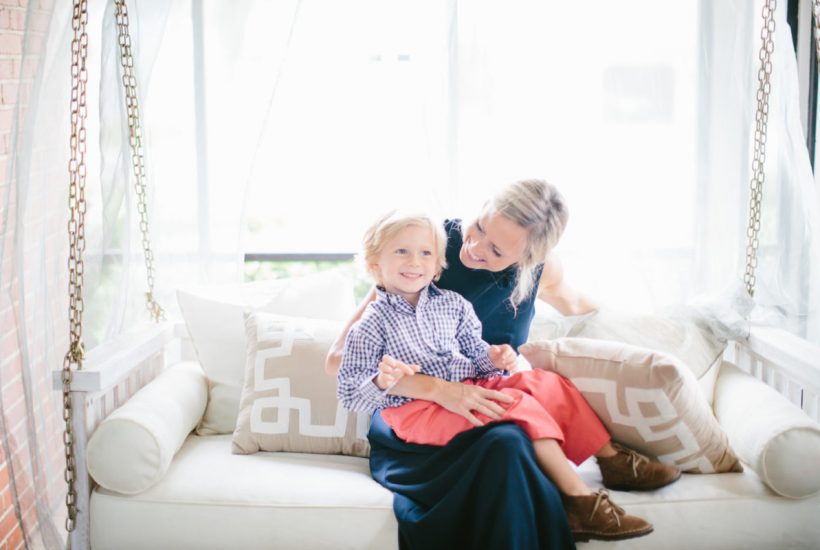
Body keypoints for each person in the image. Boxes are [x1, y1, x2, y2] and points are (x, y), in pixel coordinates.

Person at [324, 179, 655, 549]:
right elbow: (340, 361)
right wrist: (438, 389)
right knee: (509, 439)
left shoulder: (534, 274)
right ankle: (580, 501)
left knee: (542, 388)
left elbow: (578, 306)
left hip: (482, 392)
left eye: (496, 250)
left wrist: (652, 330)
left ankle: (611, 460)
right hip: (413, 414)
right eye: (479, 226)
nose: (474, 247)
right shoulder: (424, 249)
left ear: (527, 261)